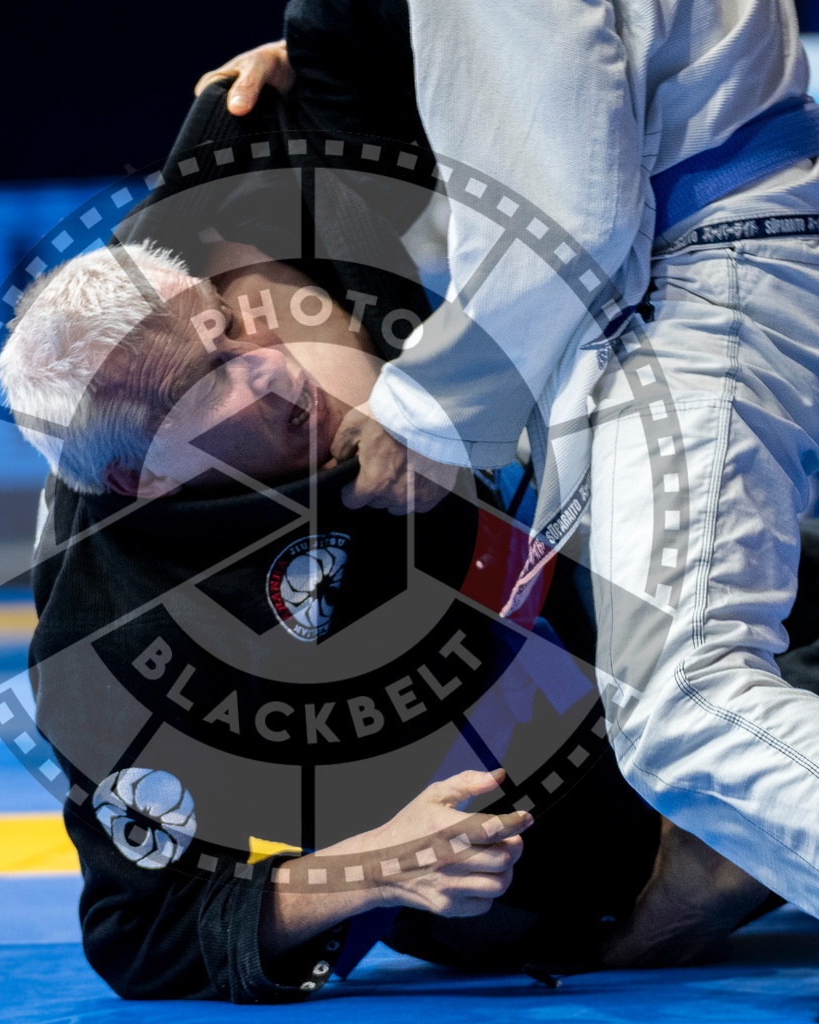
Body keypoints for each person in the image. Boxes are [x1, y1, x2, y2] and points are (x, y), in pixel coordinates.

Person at [204, 0, 819, 927]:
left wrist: (419, 413)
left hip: (703, 267)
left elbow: (570, 219)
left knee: (688, 707)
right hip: (739, 235)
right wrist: (365, 45)